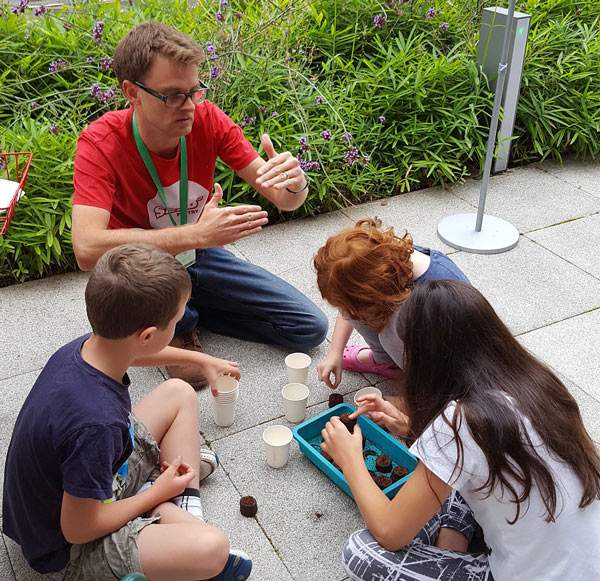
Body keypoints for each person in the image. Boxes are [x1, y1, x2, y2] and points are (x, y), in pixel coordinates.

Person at [71, 21, 328, 389]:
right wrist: (196, 233)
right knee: (192, 379)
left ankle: (184, 313)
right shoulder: (101, 143)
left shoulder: (207, 118)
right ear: (132, 92)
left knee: (309, 328)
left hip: (199, 251)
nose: (189, 106)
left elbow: (283, 198)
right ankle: (180, 315)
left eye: (194, 91)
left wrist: (297, 183)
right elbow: (86, 249)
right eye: (173, 95)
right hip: (142, 272)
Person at [2, 244, 253, 581]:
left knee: (179, 392)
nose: (180, 323)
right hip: (67, 547)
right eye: (177, 320)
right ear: (148, 335)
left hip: (92, 482)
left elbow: (134, 353)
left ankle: (172, 508)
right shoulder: (96, 424)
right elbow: (77, 528)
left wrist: (202, 360)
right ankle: (167, 510)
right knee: (213, 548)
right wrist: (156, 494)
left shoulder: (88, 346)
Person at [320, 280, 600, 581]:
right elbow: (477, 454)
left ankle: (455, 548)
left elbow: (390, 533)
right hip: (584, 560)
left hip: (533, 574)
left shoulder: (460, 421)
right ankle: (454, 543)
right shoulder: (535, 381)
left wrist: (350, 459)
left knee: (360, 553)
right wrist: (409, 426)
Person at [314, 218, 469, 388]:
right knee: (353, 306)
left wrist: (403, 406)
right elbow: (349, 304)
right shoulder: (384, 261)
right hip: (414, 333)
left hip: (449, 361)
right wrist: (335, 352)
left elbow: (454, 363)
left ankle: (408, 374)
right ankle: (387, 361)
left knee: (389, 332)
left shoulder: (437, 296)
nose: (346, 314)